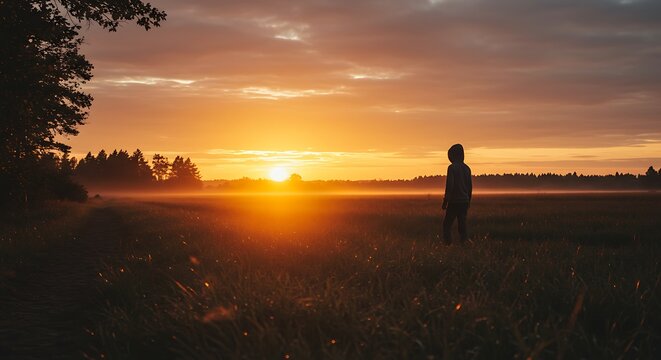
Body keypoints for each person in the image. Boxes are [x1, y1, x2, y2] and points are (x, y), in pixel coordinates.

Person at [442, 144, 472, 244]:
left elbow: (450, 185)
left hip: (454, 201)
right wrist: (468, 201)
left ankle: (447, 245)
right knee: (462, 226)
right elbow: (469, 187)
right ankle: (464, 245)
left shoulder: (452, 168)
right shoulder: (467, 168)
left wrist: (445, 201)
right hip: (464, 201)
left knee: (446, 225)